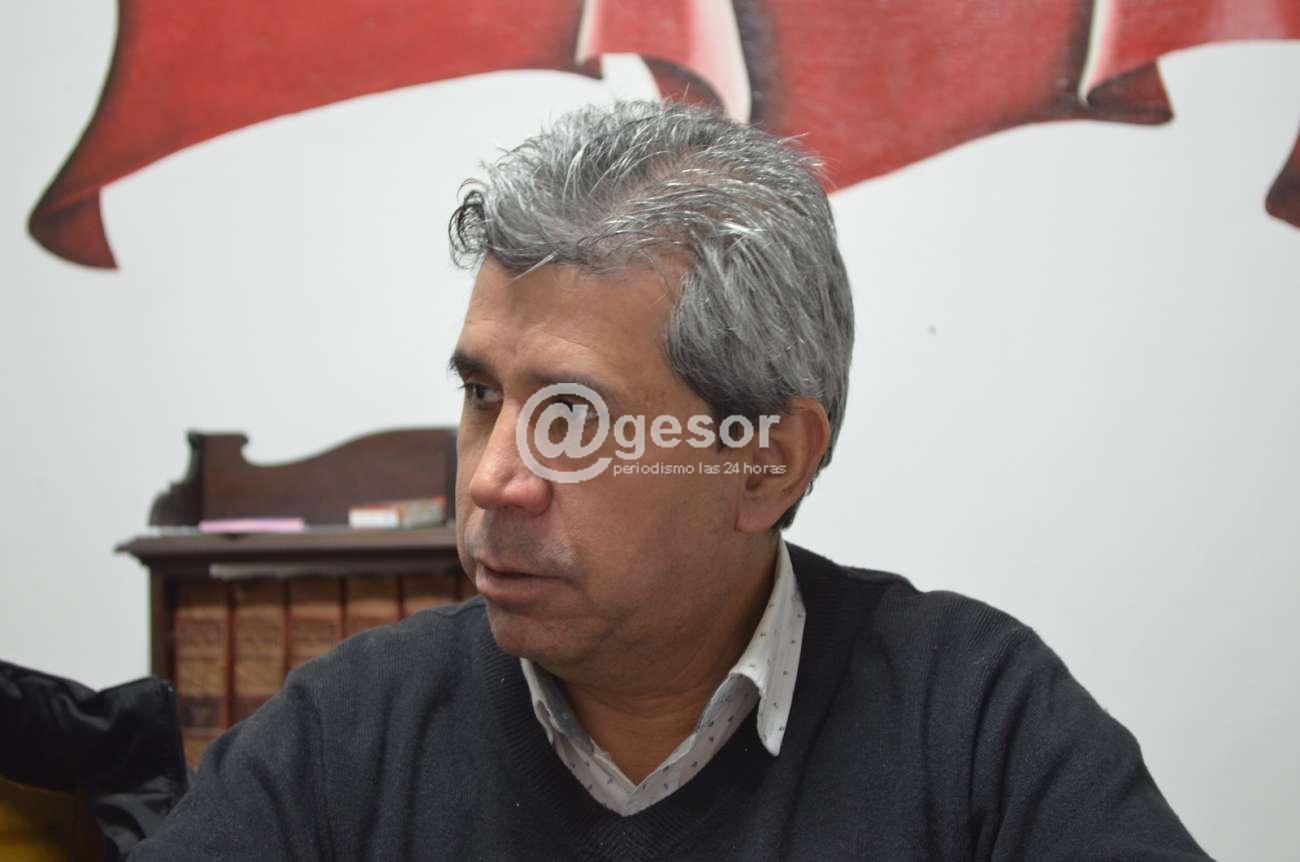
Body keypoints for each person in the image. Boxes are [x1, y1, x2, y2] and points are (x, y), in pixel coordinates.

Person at [131, 101, 1209, 860]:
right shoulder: (348, 733)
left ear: (767, 462)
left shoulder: (974, 722)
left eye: (572, 417)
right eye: (482, 396)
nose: (494, 480)